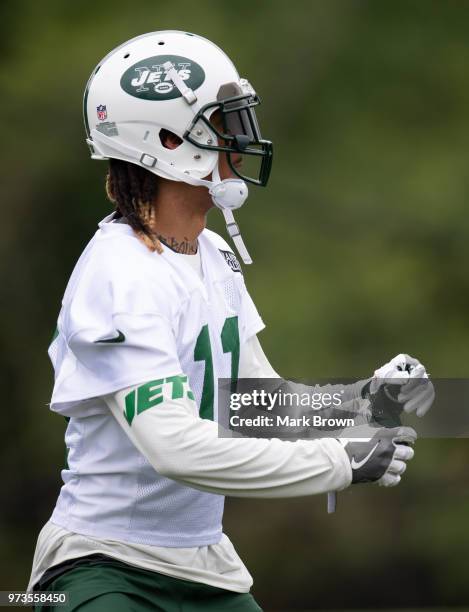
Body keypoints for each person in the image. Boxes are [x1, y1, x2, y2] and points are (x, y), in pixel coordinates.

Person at [28, 31, 434, 611]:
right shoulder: (120, 273)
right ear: (166, 140)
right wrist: (337, 461)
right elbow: (175, 448)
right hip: (103, 565)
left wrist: (359, 403)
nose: (241, 142)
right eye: (225, 124)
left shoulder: (210, 252)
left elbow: (248, 404)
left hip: (204, 565)